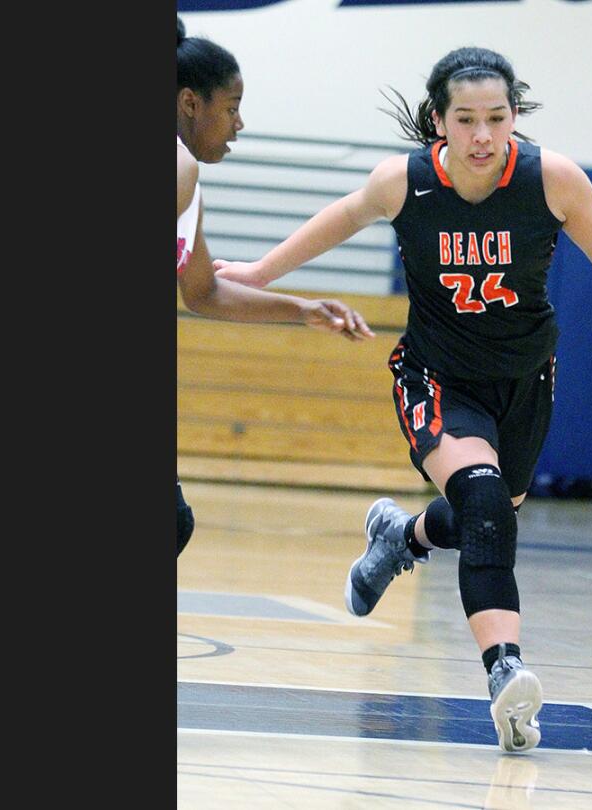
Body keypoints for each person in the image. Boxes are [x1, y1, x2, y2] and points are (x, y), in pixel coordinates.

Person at [213, 46, 592, 751]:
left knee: (488, 514)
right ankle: (506, 674)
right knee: (482, 504)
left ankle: (401, 537)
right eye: (465, 119)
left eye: (497, 118)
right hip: (436, 375)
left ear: (514, 118)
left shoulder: (551, 180)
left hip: (525, 382)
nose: (482, 135)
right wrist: (257, 272)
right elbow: (340, 219)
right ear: (438, 121)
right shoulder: (403, 184)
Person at [176, 18, 375, 557]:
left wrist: (300, 309)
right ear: (192, 103)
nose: (239, 123)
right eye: (232, 106)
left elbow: (203, 293)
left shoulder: (187, 180)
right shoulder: (179, 166)